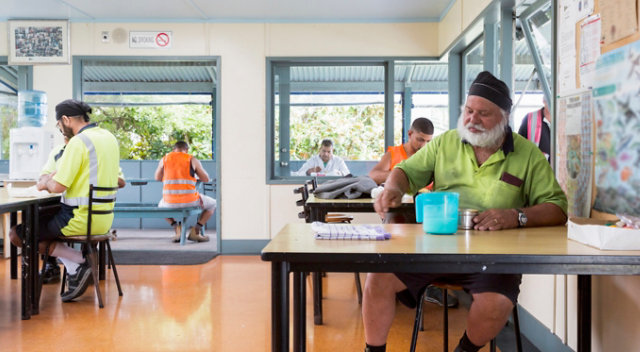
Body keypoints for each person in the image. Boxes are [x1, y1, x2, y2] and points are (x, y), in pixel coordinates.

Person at [363, 71, 568, 352]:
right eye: (469, 111)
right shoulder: (446, 142)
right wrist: (393, 189)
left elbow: (557, 208)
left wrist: (516, 215)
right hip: (434, 248)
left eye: (483, 113)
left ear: (503, 118)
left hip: (495, 257)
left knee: (496, 302)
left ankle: (465, 350)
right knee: (378, 277)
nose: (472, 119)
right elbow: (404, 172)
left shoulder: (527, 154)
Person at [9, 99, 122, 303]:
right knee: (39, 224)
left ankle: (79, 261)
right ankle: (75, 266)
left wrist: (44, 183)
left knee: (18, 233)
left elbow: (58, 186)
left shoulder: (79, 142)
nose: (60, 129)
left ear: (65, 119)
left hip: (77, 218)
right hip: (102, 219)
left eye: (59, 125)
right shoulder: (109, 138)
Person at [154, 141, 216, 243]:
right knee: (213, 204)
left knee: (160, 207)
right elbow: (205, 179)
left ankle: (176, 227)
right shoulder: (191, 159)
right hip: (190, 200)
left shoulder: (165, 159)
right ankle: (196, 230)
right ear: (186, 150)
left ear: (174, 150)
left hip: (169, 202)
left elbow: (157, 178)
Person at [368, 117, 434, 185]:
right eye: (420, 140)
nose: (424, 146)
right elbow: (373, 175)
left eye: (428, 141)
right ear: (410, 134)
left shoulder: (431, 157)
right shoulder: (393, 154)